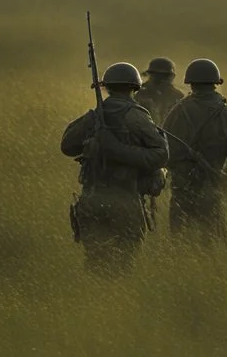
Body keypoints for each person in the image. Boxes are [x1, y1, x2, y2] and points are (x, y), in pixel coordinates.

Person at [60, 62, 169, 276]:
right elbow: (161, 155)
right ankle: (113, 303)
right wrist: (123, 151)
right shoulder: (136, 116)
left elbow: (67, 146)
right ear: (134, 87)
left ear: (107, 87)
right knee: (123, 265)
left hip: (92, 200)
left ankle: (96, 302)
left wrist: (109, 144)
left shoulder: (93, 116)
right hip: (125, 201)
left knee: (95, 261)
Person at [161, 58, 227, 239]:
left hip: (182, 191)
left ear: (190, 82)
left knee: (180, 247)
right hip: (212, 193)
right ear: (216, 83)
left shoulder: (178, 111)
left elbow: (163, 150)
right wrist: (225, 177)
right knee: (213, 247)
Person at [135, 57, 184, 125]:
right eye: (158, 77)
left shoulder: (177, 95)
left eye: (165, 77)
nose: (161, 80)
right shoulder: (140, 93)